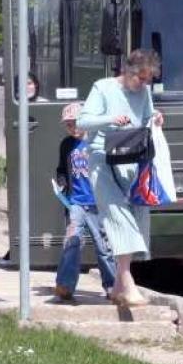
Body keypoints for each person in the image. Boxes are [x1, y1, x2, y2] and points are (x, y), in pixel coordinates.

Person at [76, 49, 164, 307]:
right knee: (117, 216)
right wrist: (110, 119)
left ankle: (117, 288)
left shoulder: (144, 92)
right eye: (141, 79)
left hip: (133, 161)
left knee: (135, 218)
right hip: (103, 161)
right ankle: (127, 283)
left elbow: (146, 116)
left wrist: (156, 117)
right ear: (127, 71)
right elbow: (84, 121)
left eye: (148, 80)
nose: (144, 85)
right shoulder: (103, 88)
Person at [53, 102, 116, 301]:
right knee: (72, 243)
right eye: (68, 125)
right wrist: (62, 183)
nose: (73, 128)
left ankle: (112, 285)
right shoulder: (66, 144)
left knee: (104, 247)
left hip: (97, 203)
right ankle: (65, 284)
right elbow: (62, 168)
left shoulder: (97, 142)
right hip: (76, 203)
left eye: (76, 123)